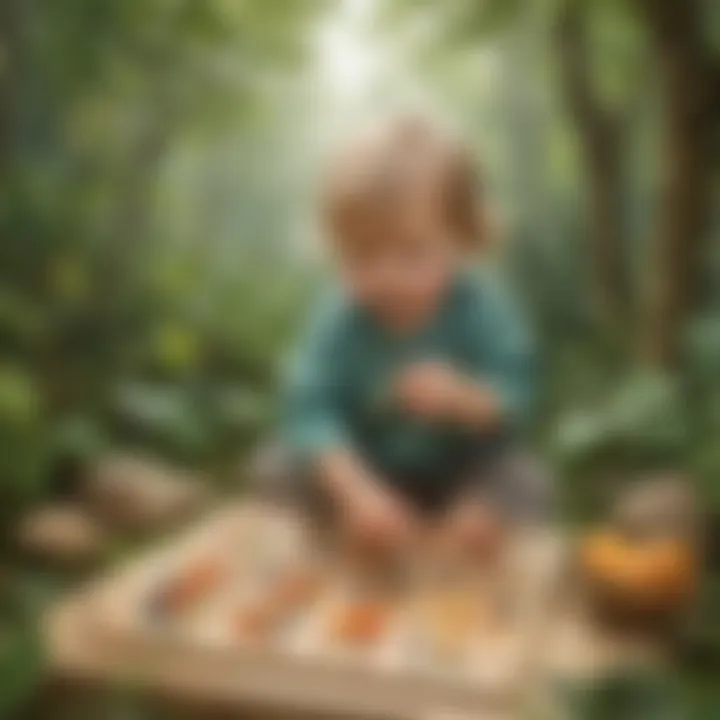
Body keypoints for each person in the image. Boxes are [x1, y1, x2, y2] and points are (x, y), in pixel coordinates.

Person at [266, 116, 550, 558]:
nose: (387, 277)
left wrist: (464, 399)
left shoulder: (482, 308)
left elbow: (516, 395)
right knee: (278, 465)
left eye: (412, 253)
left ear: (464, 239)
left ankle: (472, 524)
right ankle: (348, 526)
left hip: (456, 472)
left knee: (524, 478)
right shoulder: (339, 318)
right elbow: (309, 409)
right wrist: (356, 493)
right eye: (362, 255)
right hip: (368, 468)